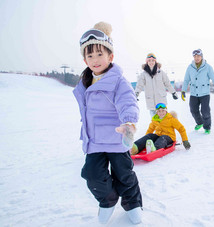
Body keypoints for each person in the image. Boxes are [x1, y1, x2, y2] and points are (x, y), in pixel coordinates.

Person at [73, 22, 142, 225]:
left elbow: (127, 101)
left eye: (100, 54)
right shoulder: (84, 82)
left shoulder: (118, 81)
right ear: (84, 58)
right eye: (90, 55)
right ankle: (108, 200)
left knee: (124, 176)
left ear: (110, 56)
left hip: (116, 137)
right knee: (91, 174)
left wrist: (128, 122)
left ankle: (132, 204)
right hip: (93, 140)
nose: (95, 60)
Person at [181, 49, 214, 135]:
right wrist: (183, 90)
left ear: (202, 57)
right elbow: (186, 80)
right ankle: (200, 122)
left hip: (204, 93)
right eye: (195, 56)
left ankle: (207, 127)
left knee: (205, 111)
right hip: (194, 93)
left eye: (198, 56)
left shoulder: (208, 67)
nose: (196, 58)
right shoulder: (190, 67)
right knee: (193, 110)